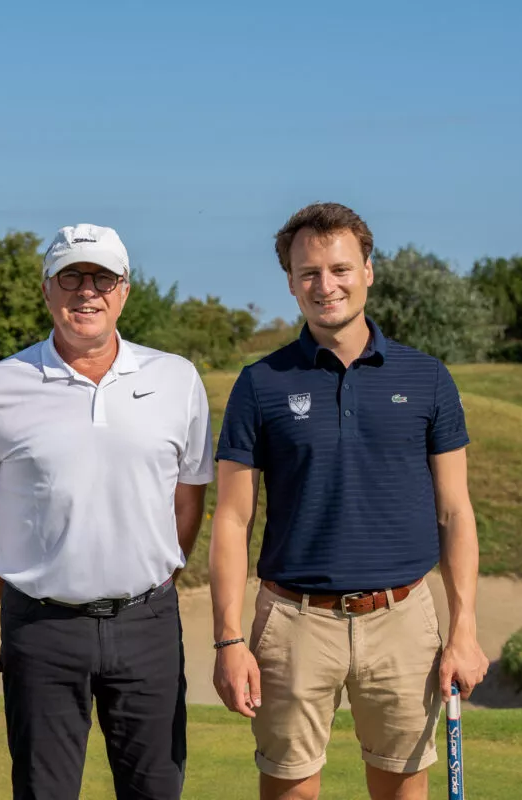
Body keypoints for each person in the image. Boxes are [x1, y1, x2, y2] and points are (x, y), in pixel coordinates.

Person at [209, 202, 489, 800]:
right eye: (308, 273)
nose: (325, 285)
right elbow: (232, 519)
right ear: (290, 282)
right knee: (289, 790)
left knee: (401, 789)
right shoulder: (260, 383)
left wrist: (463, 629)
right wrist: (230, 640)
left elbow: (455, 512)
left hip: (403, 619)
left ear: (368, 270)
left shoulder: (427, 378)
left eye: (339, 269)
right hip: (292, 621)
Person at [0, 224, 213, 800]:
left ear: (125, 290)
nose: (86, 291)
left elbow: (188, 498)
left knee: (156, 789)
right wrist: (17, 593)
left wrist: (163, 571)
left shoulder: (177, 379)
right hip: (42, 630)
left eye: (103, 278)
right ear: (47, 289)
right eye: (71, 276)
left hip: (148, 626)